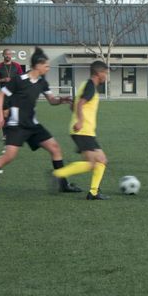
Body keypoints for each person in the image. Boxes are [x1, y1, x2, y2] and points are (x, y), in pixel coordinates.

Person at [0, 48, 82, 197]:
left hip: (33, 125)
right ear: (38, 65)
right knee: (8, 156)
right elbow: (1, 94)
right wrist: (0, 116)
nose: (48, 68)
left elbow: (51, 100)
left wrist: (62, 100)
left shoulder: (42, 82)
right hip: (17, 125)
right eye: (46, 66)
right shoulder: (19, 80)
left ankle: (63, 184)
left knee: (55, 148)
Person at [52, 60, 111, 200]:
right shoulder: (90, 86)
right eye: (105, 73)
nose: (106, 76)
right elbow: (80, 103)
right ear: (99, 73)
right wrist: (79, 120)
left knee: (101, 160)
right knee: (93, 163)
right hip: (83, 130)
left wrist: (76, 111)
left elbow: (75, 105)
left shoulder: (86, 85)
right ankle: (58, 174)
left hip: (86, 131)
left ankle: (93, 192)